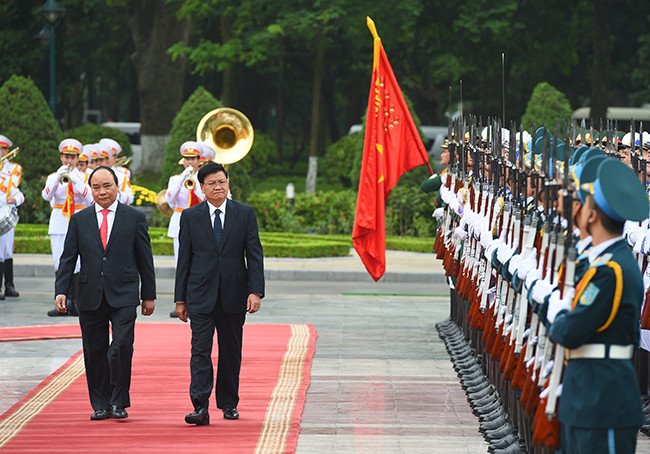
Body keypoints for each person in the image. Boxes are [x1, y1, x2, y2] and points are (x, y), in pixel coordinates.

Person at [541, 158, 647, 453]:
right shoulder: (604, 262)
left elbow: (569, 331)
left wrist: (558, 311)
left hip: (603, 401)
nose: (576, 206)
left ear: (593, 214)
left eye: (582, 201)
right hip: (587, 395)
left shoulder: (611, 270)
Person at [53, 166, 156, 421]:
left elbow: (145, 259)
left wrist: (149, 295)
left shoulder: (134, 217)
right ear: (91, 189)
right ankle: (100, 403)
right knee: (94, 349)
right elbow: (68, 259)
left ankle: (119, 401)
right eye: (96, 187)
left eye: (107, 186)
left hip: (124, 293)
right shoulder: (79, 219)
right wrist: (61, 290)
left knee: (121, 346)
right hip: (89, 294)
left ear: (117, 186)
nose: (102, 192)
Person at [174, 162, 264, 425]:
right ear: (202, 188)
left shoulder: (245, 213)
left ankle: (228, 403)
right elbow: (185, 260)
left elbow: (254, 255)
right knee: (200, 351)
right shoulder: (190, 217)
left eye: (222, 182)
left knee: (231, 351)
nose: (218, 187)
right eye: (212, 183)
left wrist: (255, 291)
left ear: (228, 183)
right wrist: (180, 298)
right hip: (200, 295)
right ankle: (200, 407)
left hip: (234, 295)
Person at [42, 139, 93, 316]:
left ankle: (77, 303)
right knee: (59, 262)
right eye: (65, 156)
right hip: (59, 222)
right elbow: (47, 196)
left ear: (78, 158)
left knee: (79, 264)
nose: (68, 160)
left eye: (72, 157)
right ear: (61, 157)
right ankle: (62, 302)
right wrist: (58, 177)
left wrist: (76, 178)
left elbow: (89, 198)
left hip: (79, 220)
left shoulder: (86, 176)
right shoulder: (52, 177)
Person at [0, 135, 22, 297]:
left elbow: (17, 189)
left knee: (6, 251)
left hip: (5, 215)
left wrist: (13, 199)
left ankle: (9, 285)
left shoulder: (12, 170)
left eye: (3, 149)